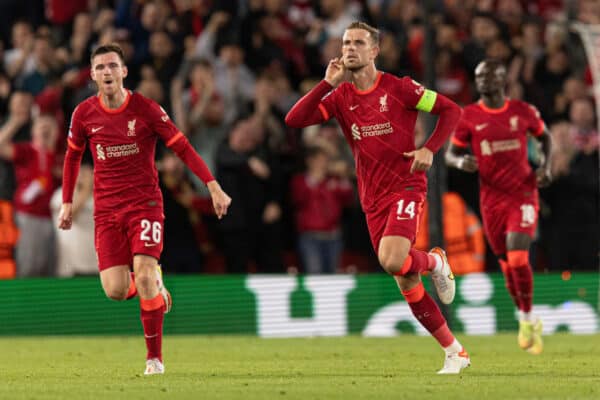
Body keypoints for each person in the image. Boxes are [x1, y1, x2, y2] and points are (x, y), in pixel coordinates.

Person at [285, 21, 468, 374]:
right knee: (404, 278)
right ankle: (454, 351)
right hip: (372, 198)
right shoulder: (339, 98)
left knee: (391, 259)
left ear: (374, 51)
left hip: (406, 185)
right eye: (345, 43)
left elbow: (451, 110)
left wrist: (430, 148)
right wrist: (326, 83)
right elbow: (295, 119)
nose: (349, 48)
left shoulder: (401, 89)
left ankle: (435, 261)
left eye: (358, 43)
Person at [57, 43, 231, 375]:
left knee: (146, 272)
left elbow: (182, 146)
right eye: (100, 67)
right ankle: (152, 285)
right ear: (93, 75)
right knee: (116, 290)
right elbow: (72, 157)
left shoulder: (146, 109)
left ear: (124, 71)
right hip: (106, 211)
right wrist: (67, 201)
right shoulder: (83, 114)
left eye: (112, 66)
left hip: (144, 206)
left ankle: (154, 359)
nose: (107, 72)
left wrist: (212, 185)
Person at [445, 59, 552, 355]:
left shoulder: (522, 112)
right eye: (479, 76)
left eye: (490, 75)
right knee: (506, 264)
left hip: (523, 194)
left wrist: (545, 167)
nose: (484, 80)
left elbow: (545, 139)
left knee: (518, 257)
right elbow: (450, 155)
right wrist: (460, 161)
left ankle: (528, 316)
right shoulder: (470, 116)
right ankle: (524, 316)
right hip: (491, 201)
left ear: (503, 78)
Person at [0, 113, 61, 277]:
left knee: (49, 266)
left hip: (54, 219)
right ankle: (25, 300)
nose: (46, 129)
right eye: (42, 126)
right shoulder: (27, 150)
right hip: (29, 216)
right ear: (34, 131)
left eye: (50, 126)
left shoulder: (59, 156)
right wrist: (14, 122)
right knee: (29, 265)